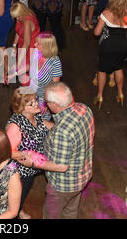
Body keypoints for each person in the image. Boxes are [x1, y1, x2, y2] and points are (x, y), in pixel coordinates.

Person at [29, 82, 94, 219]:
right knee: (70, 212)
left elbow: (61, 166)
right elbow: (69, 132)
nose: (45, 105)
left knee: (51, 215)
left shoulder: (62, 132)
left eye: (46, 102)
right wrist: (40, 123)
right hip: (81, 176)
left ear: (55, 105)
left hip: (63, 186)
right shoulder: (84, 109)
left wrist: (32, 161)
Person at [6, 87, 53, 219]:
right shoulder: (15, 127)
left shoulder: (35, 115)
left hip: (31, 169)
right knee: (15, 199)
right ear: (22, 108)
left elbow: (45, 125)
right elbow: (7, 152)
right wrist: (27, 155)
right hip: (19, 172)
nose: (36, 104)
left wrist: (63, 126)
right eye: (31, 103)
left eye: (36, 100)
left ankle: (19, 209)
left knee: (23, 193)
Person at [93, 0, 127, 110]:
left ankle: (100, 96)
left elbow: (96, 33)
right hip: (122, 45)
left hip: (107, 44)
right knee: (118, 68)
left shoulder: (106, 13)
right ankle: (120, 94)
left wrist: (102, 25)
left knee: (102, 70)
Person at [28, 32, 62, 119]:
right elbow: (29, 66)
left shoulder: (55, 62)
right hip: (32, 94)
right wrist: (14, 73)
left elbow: (54, 87)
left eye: (38, 43)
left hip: (45, 98)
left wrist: (45, 103)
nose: (35, 44)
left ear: (46, 47)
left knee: (42, 123)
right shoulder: (36, 53)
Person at [10, 2, 40, 86]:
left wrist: (17, 64)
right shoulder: (21, 16)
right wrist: (14, 45)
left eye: (18, 17)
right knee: (22, 69)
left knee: (27, 70)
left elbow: (26, 44)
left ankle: (30, 91)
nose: (17, 19)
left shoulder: (27, 22)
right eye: (15, 17)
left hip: (30, 48)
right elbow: (18, 31)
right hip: (23, 45)